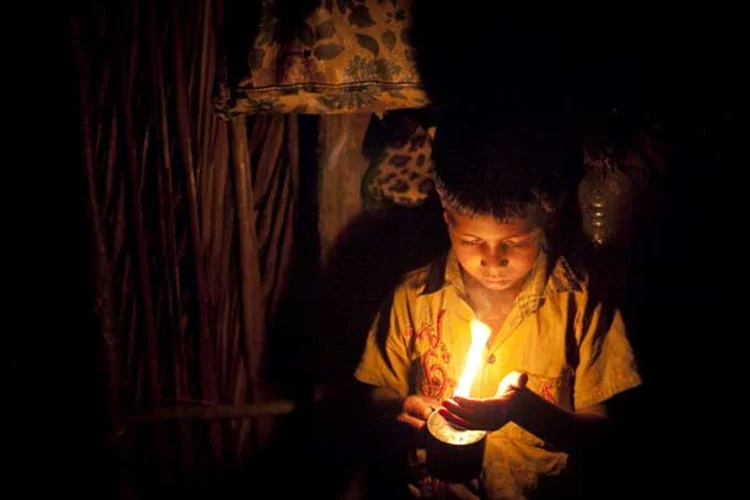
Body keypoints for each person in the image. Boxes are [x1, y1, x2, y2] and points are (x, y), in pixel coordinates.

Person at [352, 115, 643, 499]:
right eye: (472, 240)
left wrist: (523, 411)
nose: (492, 260)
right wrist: (401, 408)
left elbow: (603, 436)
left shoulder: (581, 305)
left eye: (516, 242)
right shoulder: (415, 295)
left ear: (546, 225)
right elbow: (376, 390)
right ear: (448, 222)